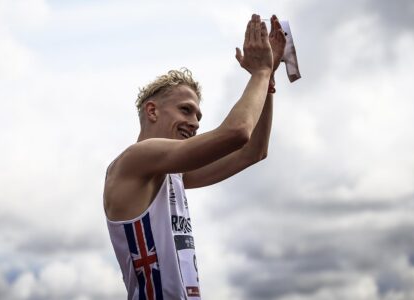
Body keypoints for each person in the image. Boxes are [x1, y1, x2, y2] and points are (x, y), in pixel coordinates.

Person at [104, 14, 286, 300]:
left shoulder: (172, 176)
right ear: (153, 112)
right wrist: (260, 73)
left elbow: (254, 151)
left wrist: (269, 78)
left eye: (199, 116)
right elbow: (237, 132)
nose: (196, 123)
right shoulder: (136, 159)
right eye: (186, 110)